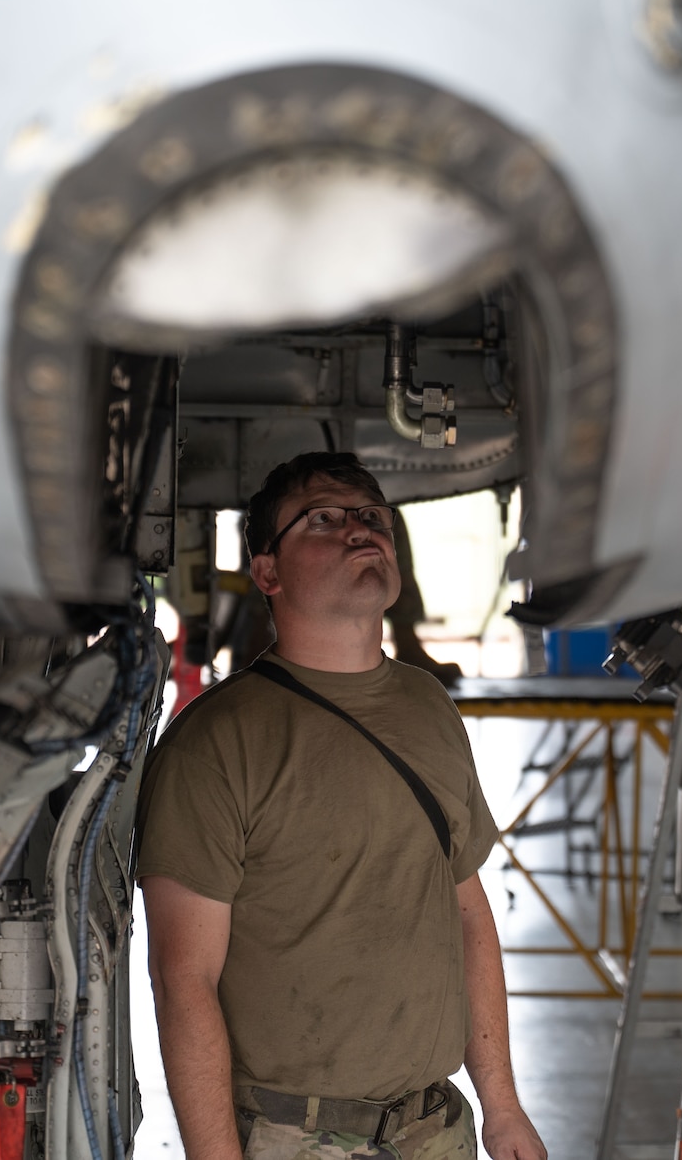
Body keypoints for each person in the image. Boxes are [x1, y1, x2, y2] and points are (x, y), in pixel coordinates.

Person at [135, 451, 547, 1160]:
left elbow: (470, 917)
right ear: (267, 570)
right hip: (294, 1138)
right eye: (324, 519)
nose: (360, 532)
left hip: (434, 1130)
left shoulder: (428, 707)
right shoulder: (216, 742)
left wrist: (503, 1108)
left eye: (371, 517)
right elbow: (184, 981)